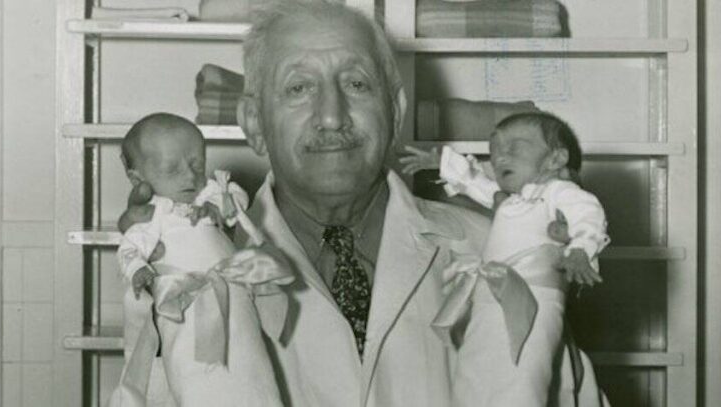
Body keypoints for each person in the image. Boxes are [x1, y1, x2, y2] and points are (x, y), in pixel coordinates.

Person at [119, 2, 610, 406]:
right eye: (298, 88)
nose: (331, 117)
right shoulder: (187, 274)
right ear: (253, 123)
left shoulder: (501, 253)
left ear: (394, 112)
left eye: (356, 84)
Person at [401, 111, 610, 406]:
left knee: (521, 375)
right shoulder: (512, 200)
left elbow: (588, 214)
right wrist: (444, 165)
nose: (500, 157)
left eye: (515, 146)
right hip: (489, 295)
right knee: (474, 371)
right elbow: (477, 184)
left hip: (533, 298)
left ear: (555, 159)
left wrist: (580, 249)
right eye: (495, 149)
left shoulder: (557, 192)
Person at [110, 113, 289, 407]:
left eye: (197, 164)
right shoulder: (153, 214)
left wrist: (217, 208)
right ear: (137, 178)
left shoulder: (207, 194)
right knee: (196, 375)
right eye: (172, 169)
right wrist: (139, 269)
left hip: (236, 299)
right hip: (187, 306)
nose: (189, 176)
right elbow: (130, 248)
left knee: (250, 366)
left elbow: (236, 198)